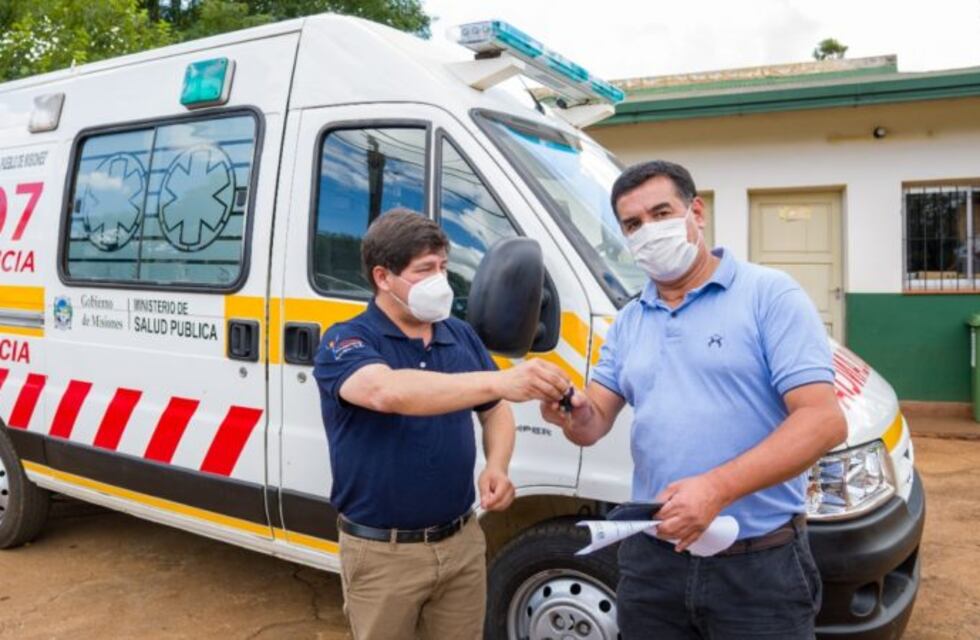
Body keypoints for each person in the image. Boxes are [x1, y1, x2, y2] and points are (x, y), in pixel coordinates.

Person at [541, 161, 847, 639]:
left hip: (758, 566)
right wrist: (571, 412)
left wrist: (715, 489)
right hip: (653, 562)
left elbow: (823, 421)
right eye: (633, 224)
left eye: (661, 213)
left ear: (696, 212)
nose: (649, 231)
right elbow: (594, 422)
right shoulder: (629, 321)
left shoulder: (769, 296)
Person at [313, 209, 570, 640]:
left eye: (444, 268)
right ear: (383, 277)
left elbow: (494, 410)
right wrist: (502, 379)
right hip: (383, 554)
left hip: (462, 543)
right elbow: (387, 392)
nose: (440, 281)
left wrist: (497, 465)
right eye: (425, 270)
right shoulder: (347, 340)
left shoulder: (458, 335)